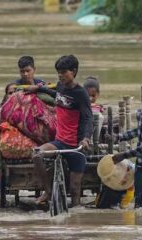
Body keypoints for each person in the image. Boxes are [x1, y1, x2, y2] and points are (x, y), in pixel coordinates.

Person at [30, 55, 93, 207]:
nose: (60, 75)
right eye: (58, 72)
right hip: (59, 142)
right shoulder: (60, 85)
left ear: (74, 71)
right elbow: (57, 94)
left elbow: (88, 118)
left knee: (75, 188)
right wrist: (39, 88)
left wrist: (86, 138)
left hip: (75, 146)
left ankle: (76, 218)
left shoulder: (81, 93)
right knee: (36, 154)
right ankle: (49, 191)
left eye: (64, 72)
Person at [112, 81, 142, 208]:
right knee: (139, 205)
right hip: (141, 167)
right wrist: (119, 137)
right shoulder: (140, 113)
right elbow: (139, 130)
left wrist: (124, 155)